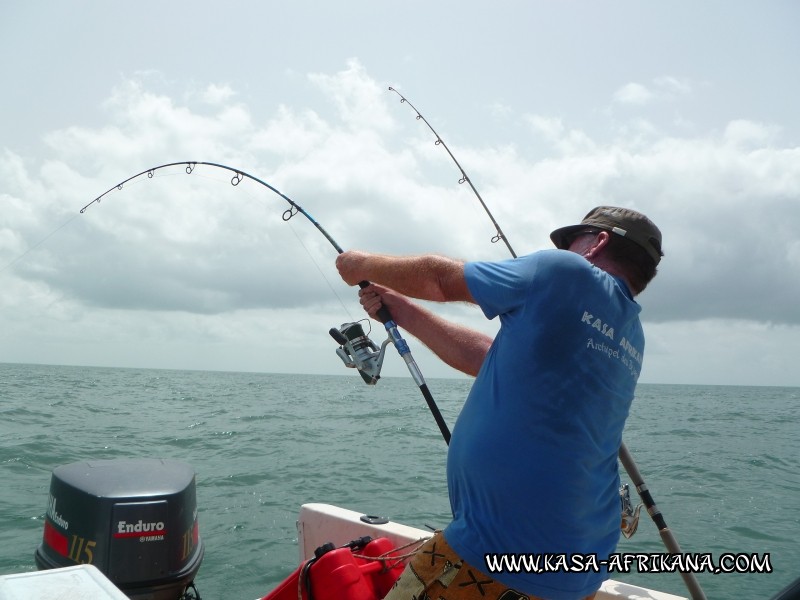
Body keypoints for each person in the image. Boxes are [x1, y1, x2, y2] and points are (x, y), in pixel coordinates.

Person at [335, 206, 663, 600]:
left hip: (493, 555)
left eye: (571, 242)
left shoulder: (567, 271)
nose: (563, 250)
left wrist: (359, 264)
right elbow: (488, 357)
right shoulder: (630, 335)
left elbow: (441, 280)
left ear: (599, 242)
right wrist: (402, 310)